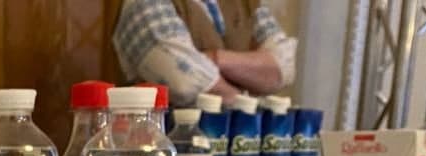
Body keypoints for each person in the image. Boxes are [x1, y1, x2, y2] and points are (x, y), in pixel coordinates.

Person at [112, 0, 297, 106]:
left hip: (237, 148)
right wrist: (250, 84)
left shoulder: (246, 3)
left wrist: (215, 59)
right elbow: (186, 82)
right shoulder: (143, 3)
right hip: (166, 149)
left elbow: (283, 69)